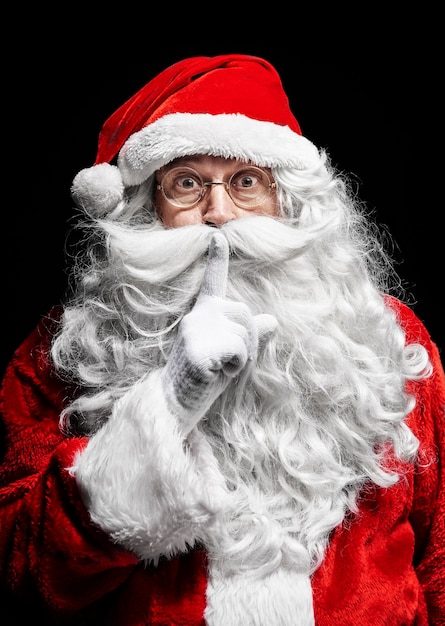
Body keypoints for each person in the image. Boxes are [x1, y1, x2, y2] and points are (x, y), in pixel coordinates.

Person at [0, 54, 444, 626]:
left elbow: (437, 559)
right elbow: (24, 574)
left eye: (247, 182)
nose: (219, 214)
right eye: (186, 184)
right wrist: (170, 400)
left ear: (288, 200)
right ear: (146, 210)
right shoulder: (68, 348)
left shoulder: (387, 335)